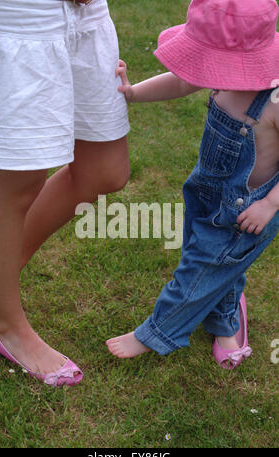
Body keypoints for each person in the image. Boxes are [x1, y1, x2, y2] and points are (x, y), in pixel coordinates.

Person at [106, 0, 279, 369]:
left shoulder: (275, 101)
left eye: (212, 63)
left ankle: (155, 332)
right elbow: (183, 81)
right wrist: (135, 93)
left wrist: (270, 205)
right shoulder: (221, 76)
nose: (206, 74)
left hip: (245, 209)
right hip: (205, 191)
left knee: (201, 268)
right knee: (216, 263)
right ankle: (227, 319)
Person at [0, 0, 130, 386]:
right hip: (21, 23)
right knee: (16, 183)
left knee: (105, 171)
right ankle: (8, 325)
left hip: (87, 18)